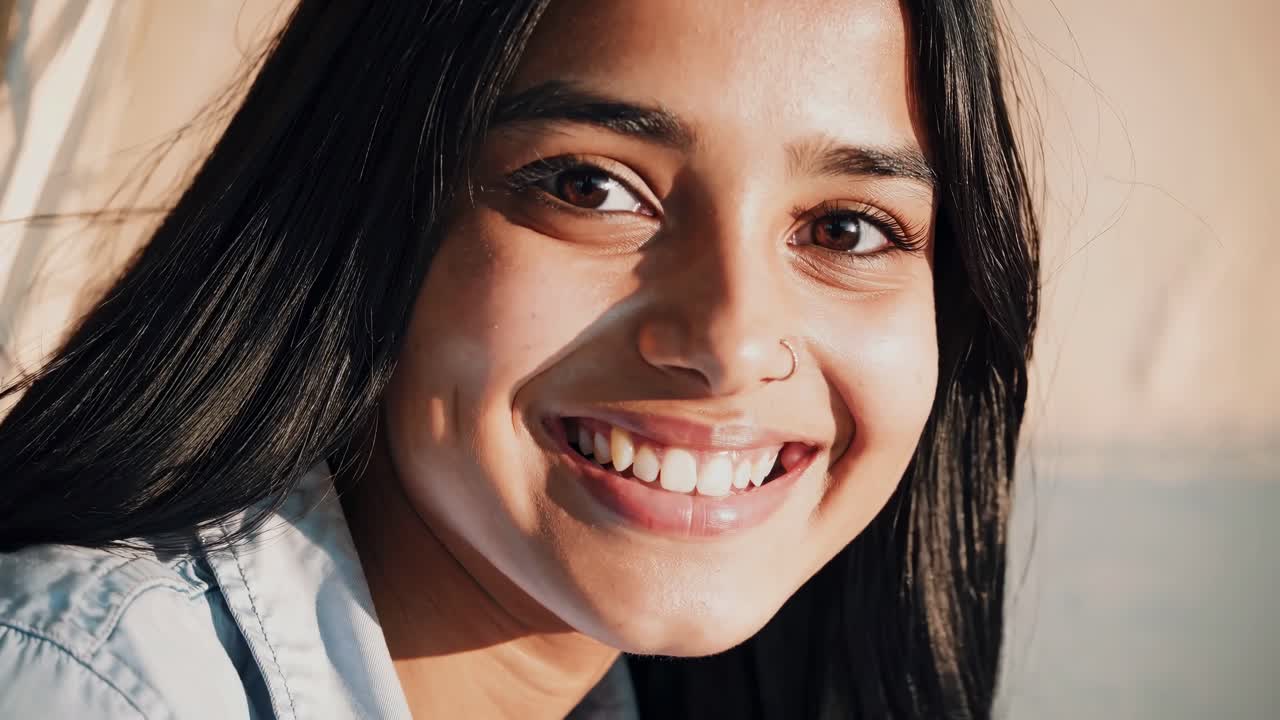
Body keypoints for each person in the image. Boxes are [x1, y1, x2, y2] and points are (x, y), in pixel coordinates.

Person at [0, 0, 1038, 717]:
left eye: (846, 230)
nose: (728, 341)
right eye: (588, 188)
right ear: (363, 209)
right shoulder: (90, 689)